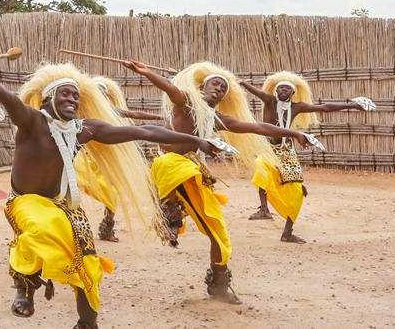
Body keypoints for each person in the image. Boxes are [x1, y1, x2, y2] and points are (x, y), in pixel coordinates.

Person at [0, 60, 227, 329]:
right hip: (25, 202)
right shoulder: (32, 121)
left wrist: (198, 141)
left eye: (76, 97)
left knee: (88, 269)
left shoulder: (83, 130)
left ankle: (87, 323)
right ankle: (25, 284)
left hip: (65, 206)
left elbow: (147, 132)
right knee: (43, 228)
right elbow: (8, 99)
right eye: (65, 95)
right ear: (46, 100)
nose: (72, 100)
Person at [124, 60, 310, 305]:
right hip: (169, 167)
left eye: (223, 88)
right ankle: (169, 210)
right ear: (203, 85)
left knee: (220, 235)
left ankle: (219, 281)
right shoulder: (186, 102)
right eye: (215, 84)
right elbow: (171, 89)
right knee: (176, 164)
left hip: (195, 174)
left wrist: (293, 133)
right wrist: (148, 73)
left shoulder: (218, 118)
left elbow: (257, 127)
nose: (219, 89)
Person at [239, 72, 375, 243]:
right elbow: (256, 93)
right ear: (276, 90)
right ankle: (264, 209)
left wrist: (353, 105)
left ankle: (287, 233)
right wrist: (243, 83)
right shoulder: (270, 101)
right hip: (268, 148)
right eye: (280, 87)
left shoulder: (297, 107)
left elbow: (325, 107)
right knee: (261, 168)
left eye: (287, 88)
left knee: (296, 192)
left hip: (287, 151)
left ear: (293, 93)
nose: (283, 90)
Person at [77, 75, 167, 242]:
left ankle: (107, 226)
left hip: (106, 159)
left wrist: (160, 117)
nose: (101, 96)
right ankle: (73, 223)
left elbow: (134, 113)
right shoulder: (78, 113)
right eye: (97, 93)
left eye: (103, 93)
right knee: (73, 185)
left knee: (112, 194)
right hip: (84, 158)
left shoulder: (111, 111)